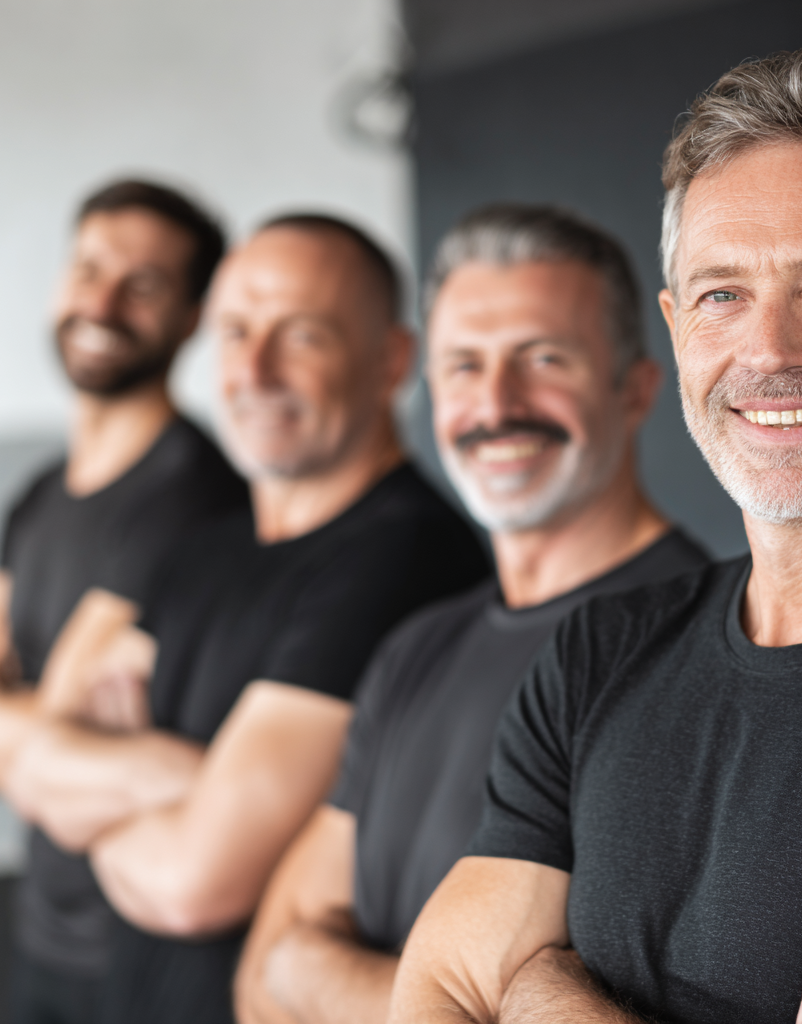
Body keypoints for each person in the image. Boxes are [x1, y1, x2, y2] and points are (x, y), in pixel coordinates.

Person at [386, 49, 802, 1024]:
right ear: (675, 330)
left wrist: (541, 986)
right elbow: (440, 994)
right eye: (722, 294)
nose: (769, 351)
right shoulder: (598, 654)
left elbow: (491, 990)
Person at [0, 213, 490, 1024]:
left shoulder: (406, 554)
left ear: (391, 361)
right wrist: (183, 783)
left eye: (301, 336)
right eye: (235, 333)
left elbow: (195, 880)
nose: (254, 372)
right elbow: (33, 748)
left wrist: (99, 786)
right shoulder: (200, 548)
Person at [233, 204, 709, 1024]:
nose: (496, 404)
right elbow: (262, 974)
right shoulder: (417, 647)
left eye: (543, 358)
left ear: (634, 387)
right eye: (463, 366)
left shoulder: (700, 646)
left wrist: (318, 971)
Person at [0, 178, 248, 1024]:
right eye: (89, 268)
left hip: (144, 952)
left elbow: (46, 729)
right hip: (40, 929)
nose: (101, 301)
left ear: (191, 316)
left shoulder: (193, 498)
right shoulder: (34, 497)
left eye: (142, 283)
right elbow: (19, 753)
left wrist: (26, 729)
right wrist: (36, 738)